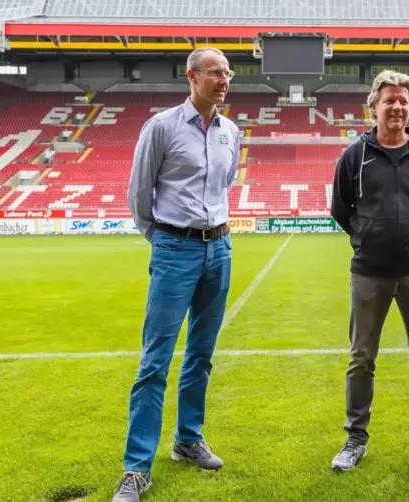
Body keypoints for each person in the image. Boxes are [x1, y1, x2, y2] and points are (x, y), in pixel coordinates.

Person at [113, 47, 239, 501]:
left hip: (219, 249)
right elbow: (139, 192)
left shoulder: (231, 132)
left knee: (201, 355)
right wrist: (164, 240)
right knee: (155, 361)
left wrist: (210, 238)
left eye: (227, 72)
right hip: (174, 249)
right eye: (214, 72)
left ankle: (188, 439)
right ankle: (136, 468)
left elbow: (224, 187)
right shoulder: (162, 127)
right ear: (192, 77)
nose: (223, 80)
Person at [330, 69, 409, 476]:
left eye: (404, 100)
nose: (398, 107)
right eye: (390, 100)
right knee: (361, 358)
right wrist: (370, 237)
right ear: (374, 106)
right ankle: (354, 440)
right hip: (369, 273)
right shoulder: (354, 156)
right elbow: (340, 209)